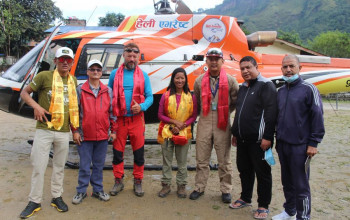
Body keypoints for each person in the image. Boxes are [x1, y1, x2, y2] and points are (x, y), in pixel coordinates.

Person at [19, 47, 79, 219]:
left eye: (68, 60)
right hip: (44, 129)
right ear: (55, 61)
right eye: (62, 59)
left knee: (59, 167)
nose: (65, 62)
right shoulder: (44, 76)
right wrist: (37, 106)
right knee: (39, 166)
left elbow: (74, 108)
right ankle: (34, 201)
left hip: (63, 131)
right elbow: (24, 93)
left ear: (72, 62)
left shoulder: (73, 80)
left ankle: (56, 197)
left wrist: (75, 130)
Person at [272, 55, 325, 220]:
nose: (288, 70)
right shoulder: (280, 92)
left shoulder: (309, 89)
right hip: (283, 144)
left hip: (300, 146)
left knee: (301, 184)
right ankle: (289, 211)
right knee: (287, 182)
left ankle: (303, 216)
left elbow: (317, 115)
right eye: (285, 67)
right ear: (281, 69)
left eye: (291, 66)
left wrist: (313, 143)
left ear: (299, 68)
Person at [230, 56, 277, 219]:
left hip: (260, 141)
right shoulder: (243, 87)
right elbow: (239, 112)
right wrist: (235, 133)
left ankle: (263, 205)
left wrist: (268, 137)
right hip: (242, 139)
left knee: (263, 173)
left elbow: (271, 114)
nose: (245, 71)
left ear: (257, 67)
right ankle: (245, 198)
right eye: (242, 68)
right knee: (244, 169)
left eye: (248, 67)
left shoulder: (267, 86)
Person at [190, 48, 239, 203]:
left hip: (222, 122)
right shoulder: (198, 81)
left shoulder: (231, 80)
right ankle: (199, 187)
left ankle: (226, 189)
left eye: (216, 59)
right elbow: (196, 102)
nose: (213, 61)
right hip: (204, 120)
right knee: (202, 158)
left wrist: (223, 112)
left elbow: (235, 102)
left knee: (224, 159)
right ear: (206, 61)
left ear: (222, 61)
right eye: (210, 58)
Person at [108, 42, 153, 197]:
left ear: (137, 57)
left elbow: (150, 97)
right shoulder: (114, 74)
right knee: (117, 153)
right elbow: (109, 95)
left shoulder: (144, 76)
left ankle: (138, 180)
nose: (132, 58)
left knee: (139, 153)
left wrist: (141, 107)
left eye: (134, 56)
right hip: (119, 120)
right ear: (124, 56)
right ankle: (118, 180)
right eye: (129, 56)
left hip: (136, 120)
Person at [71, 60, 117, 204]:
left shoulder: (107, 91)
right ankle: (81, 191)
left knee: (98, 165)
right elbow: (74, 112)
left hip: (102, 136)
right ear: (88, 72)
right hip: (85, 136)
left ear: (101, 72)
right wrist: (75, 131)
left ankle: (97, 189)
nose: (95, 72)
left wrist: (113, 131)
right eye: (92, 69)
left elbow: (112, 113)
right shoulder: (80, 90)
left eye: (98, 69)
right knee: (84, 166)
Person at [157, 67, 198, 198]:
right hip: (167, 132)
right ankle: (166, 185)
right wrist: (174, 122)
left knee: (182, 161)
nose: (180, 80)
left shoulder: (191, 97)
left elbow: (194, 115)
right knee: (167, 161)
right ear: (173, 79)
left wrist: (182, 125)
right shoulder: (166, 95)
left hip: (184, 132)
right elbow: (160, 114)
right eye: (177, 78)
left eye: (182, 78)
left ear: (186, 79)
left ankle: (181, 186)